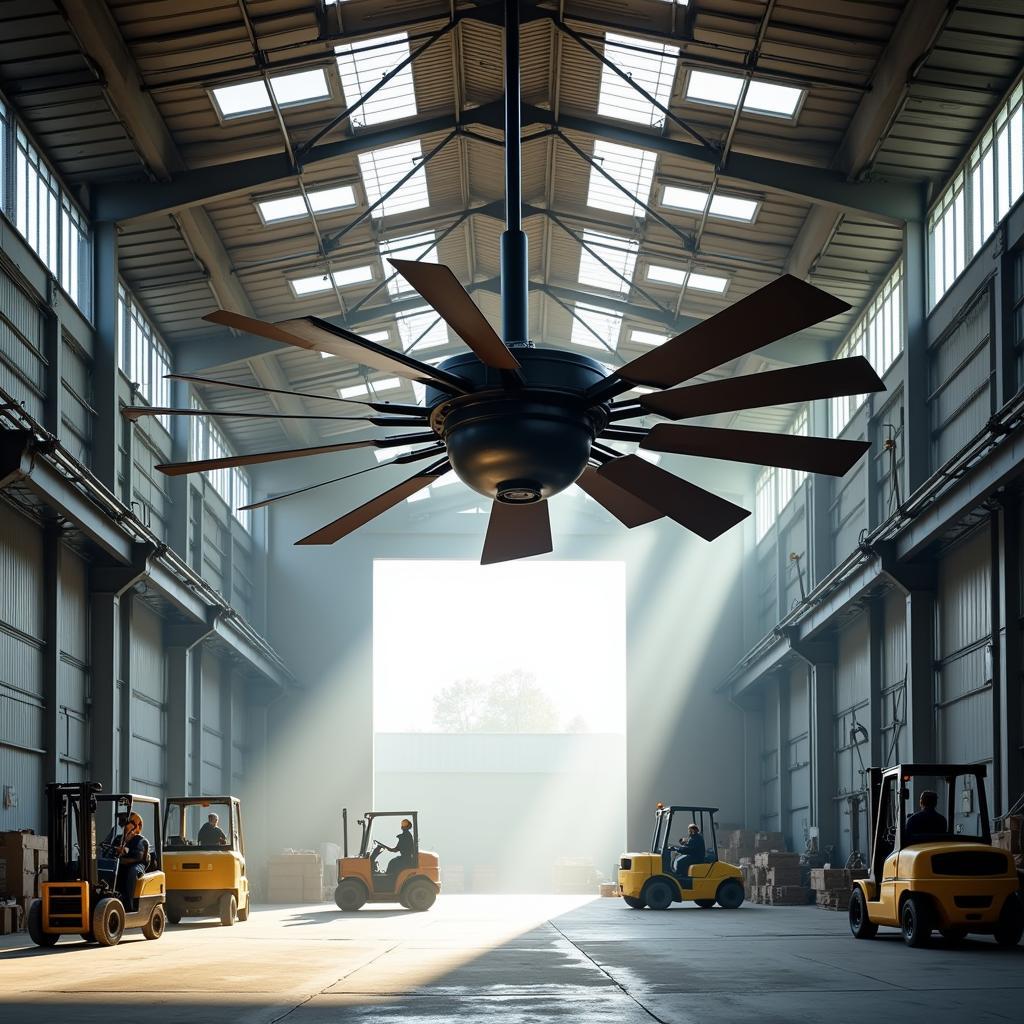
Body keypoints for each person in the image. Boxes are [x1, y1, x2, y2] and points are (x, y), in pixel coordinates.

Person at [115, 812, 150, 909]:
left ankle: (130, 903)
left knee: (132, 872)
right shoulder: (118, 838)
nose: (124, 825)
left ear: (136, 825)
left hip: (136, 864)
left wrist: (124, 852)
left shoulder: (140, 840)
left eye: (128, 822)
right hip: (120, 863)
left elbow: (138, 857)